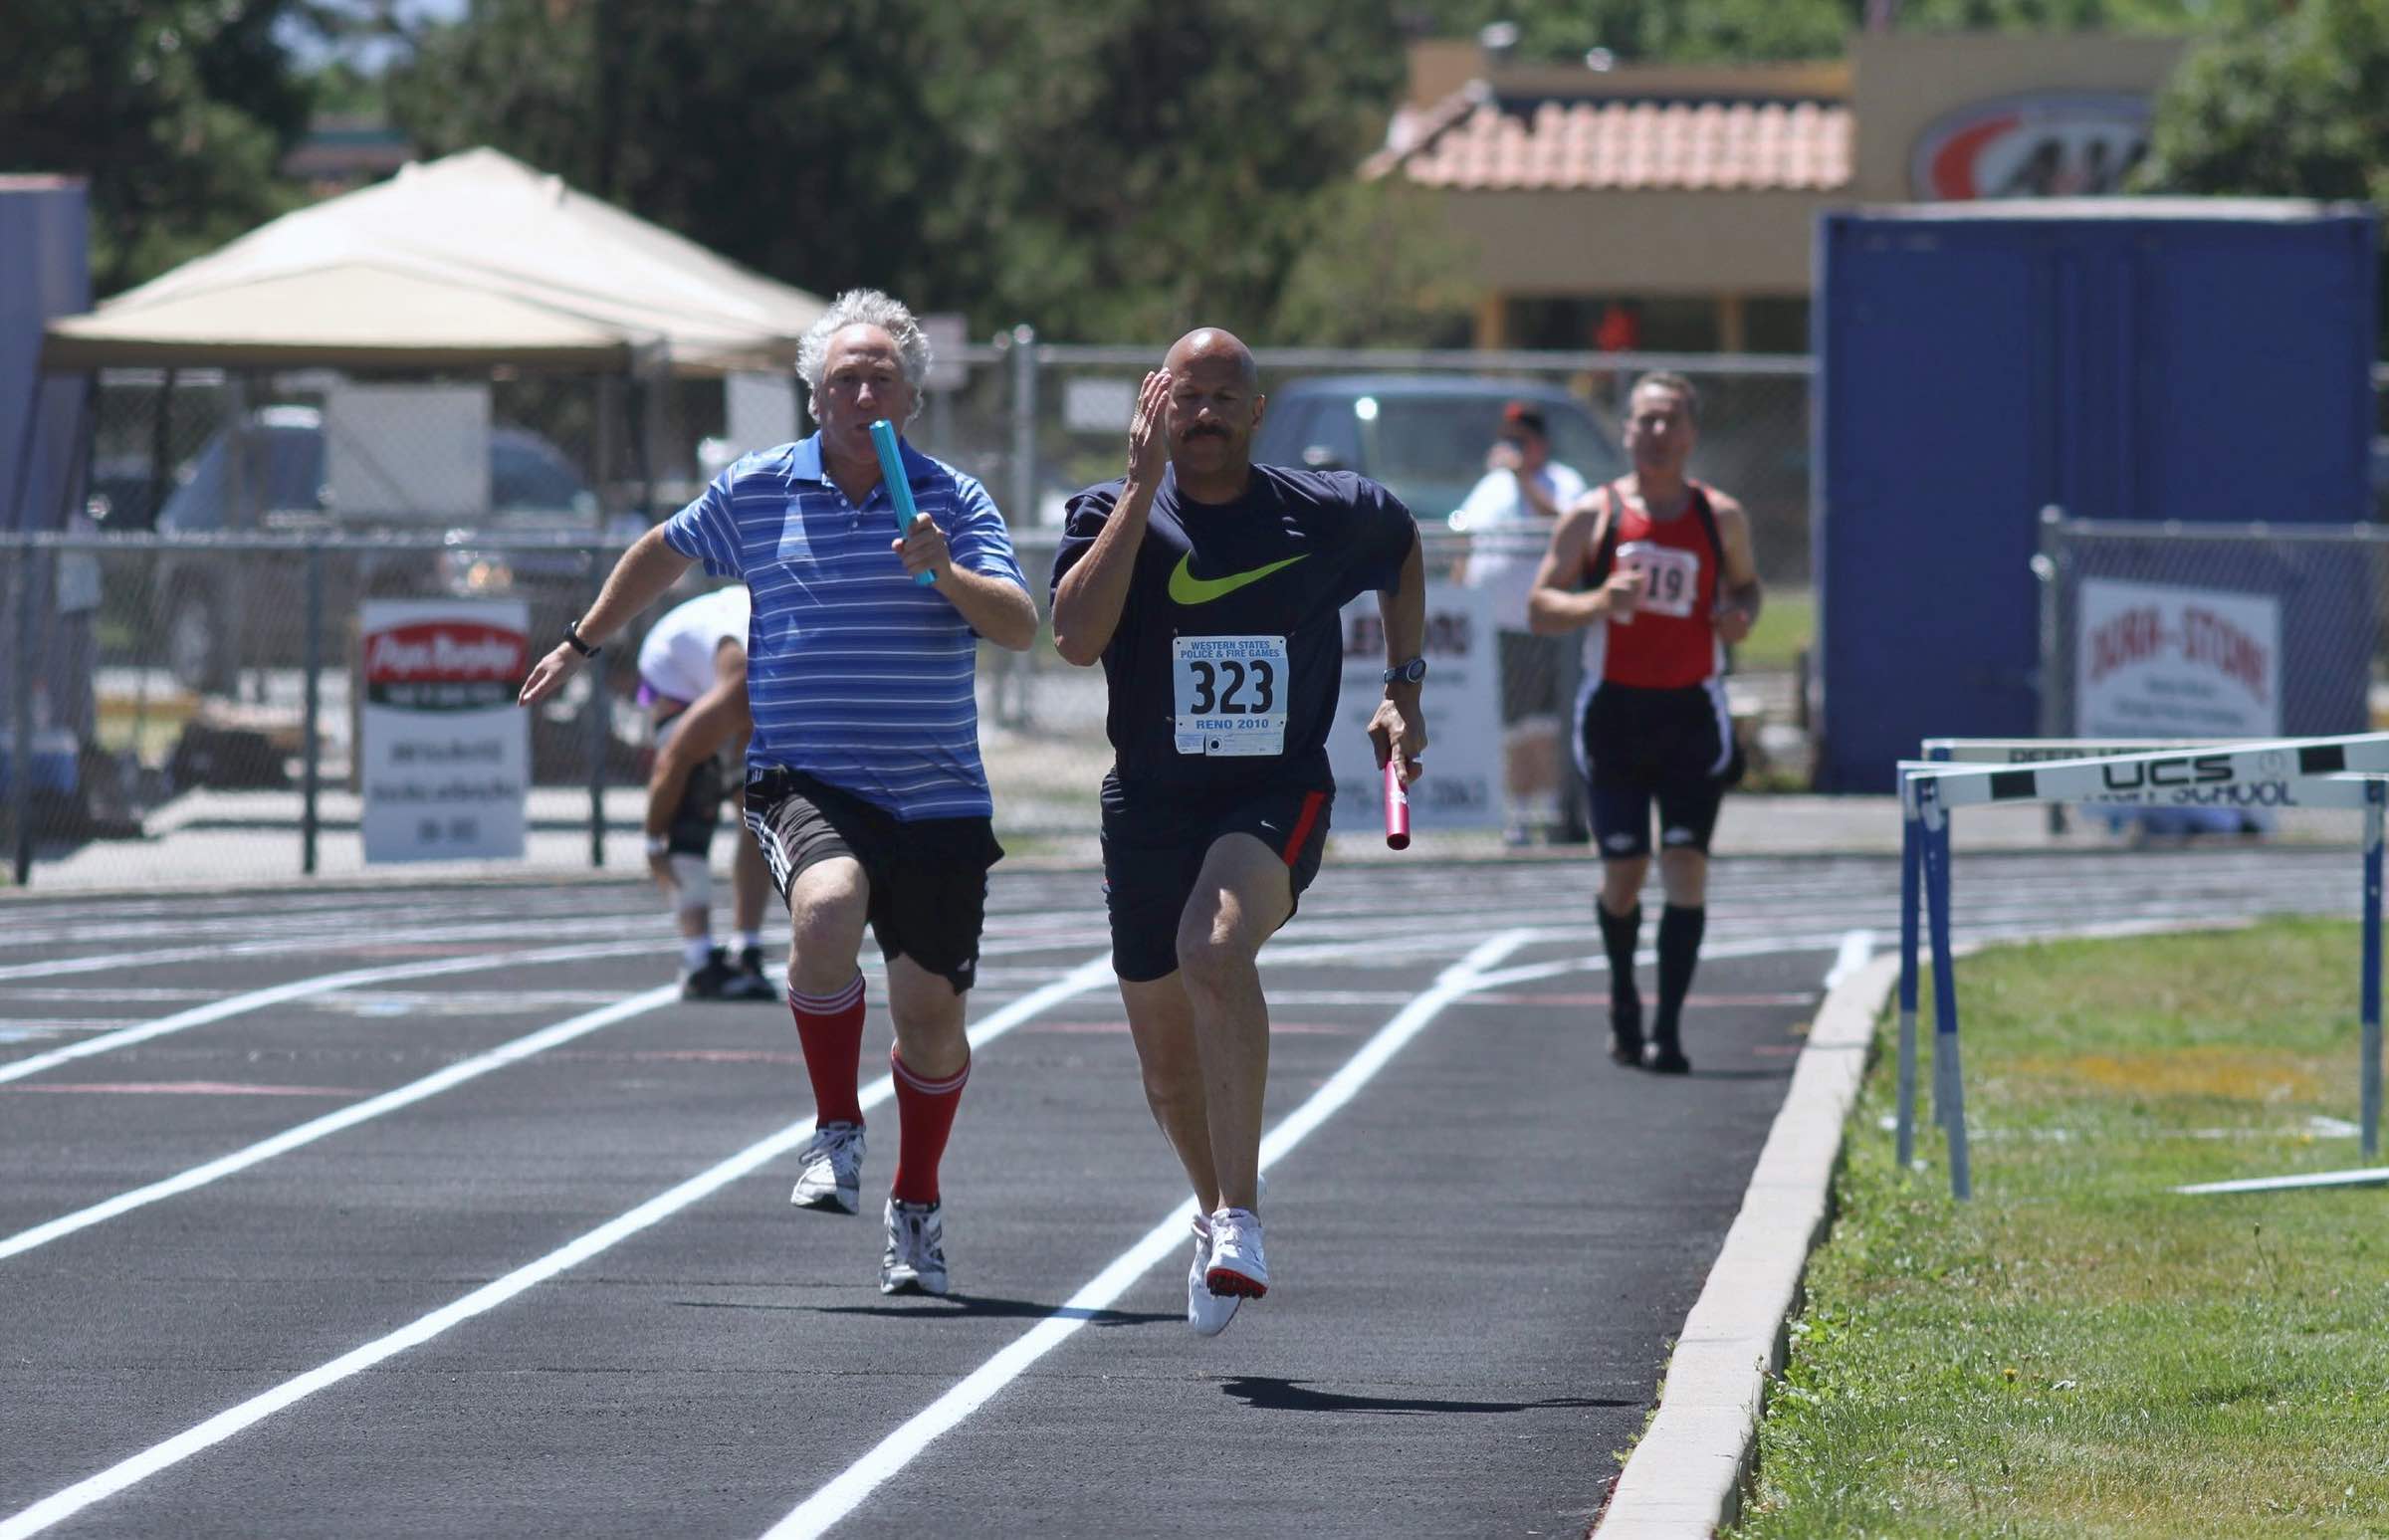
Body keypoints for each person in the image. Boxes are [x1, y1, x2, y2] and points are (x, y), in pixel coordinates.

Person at [519, 289, 1038, 1296]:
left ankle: (916, 1203)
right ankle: (835, 1123)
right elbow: (658, 555)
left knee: (930, 1014)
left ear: (912, 398)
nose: (861, 391)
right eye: (843, 377)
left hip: (935, 796)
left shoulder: (951, 498)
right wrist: (584, 639)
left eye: (882, 376)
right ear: (813, 397)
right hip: (808, 775)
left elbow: (1019, 622)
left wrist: (945, 572)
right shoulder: (759, 491)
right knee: (827, 905)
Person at [1049, 328, 1426, 1337]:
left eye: (1225, 397)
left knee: (1212, 948)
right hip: (1149, 803)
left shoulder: (1322, 510)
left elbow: (1402, 548)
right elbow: (1077, 639)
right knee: (1167, 1071)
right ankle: (1212, 1208)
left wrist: (1403, 686)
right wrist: (1137, 494)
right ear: (1155, 407)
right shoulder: (1105, 510)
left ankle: (1242, 1213)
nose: (1206, 414)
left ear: (1257, 412)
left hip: (1274, 790)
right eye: (1188, 397)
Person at [1527, 371, 1762, 1075]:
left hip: (1691, 710)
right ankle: (1625, 996)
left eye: (1668, 420)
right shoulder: (1592, 515)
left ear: (1689, 433)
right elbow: (1541, 606)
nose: (1656, 433)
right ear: (1625, 430)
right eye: (1643, 420)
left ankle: (1667, 1029)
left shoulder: (1720, 516)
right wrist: (1599, 599)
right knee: (1624, 873)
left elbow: (1747, 586)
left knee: (1686, 866)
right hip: (1615, 715)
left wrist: (1740, 614)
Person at [1449, 402, 1588, 843]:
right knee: (1511, 723)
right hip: (1499, 624)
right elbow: (1464, 538)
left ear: (1540, 443)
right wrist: (1456, 594)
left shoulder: (1563, 481)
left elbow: (1567, 526)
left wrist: (1524, 477)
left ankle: (1548, 810)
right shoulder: (1492, 485)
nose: (1512, 448)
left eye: (1521, 440)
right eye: (1508, 438)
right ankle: (1518, 814)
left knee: (1543, 723)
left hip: (1544, 625)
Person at [635, 583, 775, 1001]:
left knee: (758, 810)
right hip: (678, 682)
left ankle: (746, 946)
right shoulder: (737, 690)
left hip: (739, 673)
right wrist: (652, 837)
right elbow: (671, 765)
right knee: (692, 804)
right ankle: (698, 960)